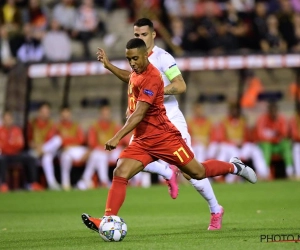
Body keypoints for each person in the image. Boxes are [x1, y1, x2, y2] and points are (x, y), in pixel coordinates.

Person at [81, 38, 257, 233]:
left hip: (165, 138)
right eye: (129, 59)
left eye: (135, 59)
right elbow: (129, 77)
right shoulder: (136, 71)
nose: (132, 63)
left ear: (146, 56)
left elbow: (139, 114)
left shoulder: (153, 77)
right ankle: (107, 220)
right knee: (120, 172)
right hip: (142, 140)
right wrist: (108, 66)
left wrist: (117, 137)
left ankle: (234, 166)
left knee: (196, 173)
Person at [95, 18, 229, 230]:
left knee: (192, 172)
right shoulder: (136, 59)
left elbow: (181, 85)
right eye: (136, 35)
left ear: (153, 35)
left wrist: (155, 93)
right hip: (146, 122)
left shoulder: (163, 57)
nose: (139, 38)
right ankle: (166, 174)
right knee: (124, 167)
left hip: (170, 119)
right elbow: (130, 79)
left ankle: (215, 208)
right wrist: (109, 66)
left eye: (144, 35)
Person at [76, 101, 122, 190]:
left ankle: (86, 178)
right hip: (102, 151)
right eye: (104, 113)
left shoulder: (114, 125)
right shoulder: (95, 126)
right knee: (98, 155)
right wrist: (105, 149)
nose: (106, 115)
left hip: (113, 151)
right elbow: (92, 143)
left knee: (126, 153)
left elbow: (121, 140)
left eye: (107, 113)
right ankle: (103, 181)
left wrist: (112, 148)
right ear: (100, 114)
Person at [0, 110, 43, 192]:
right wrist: (10, 144)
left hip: (16, 154)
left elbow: (20, 144)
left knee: (30, 158)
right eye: (6, 119)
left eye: (9, 119)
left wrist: (9, 145)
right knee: (2, 160)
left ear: (12, 120)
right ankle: (3, 184)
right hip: (5, 155)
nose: (7, 121)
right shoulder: (1, 130)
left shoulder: (17, 130)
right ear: (3, 120)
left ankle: (32, 183)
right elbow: (2, 146)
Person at [27, 101, 61, 190]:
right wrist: (37, 146)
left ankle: (52, 184)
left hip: (45, 150)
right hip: (35, 150)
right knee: (47, 157)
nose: (45, 114)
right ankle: (52, 183)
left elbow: (53, 141)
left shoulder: (52, 124)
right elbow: (29, 141)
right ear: (39, 112)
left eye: (47, 112)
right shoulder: (32, 123)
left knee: (58, 140)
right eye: (43, 112)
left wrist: (42, 149)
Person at [56, 106, 89, 191]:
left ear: (70, 114)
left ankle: (86, 179)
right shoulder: (57, 126)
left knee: (92, 153)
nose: (65, 115)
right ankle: (65, 183)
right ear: (60, 115)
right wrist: (66, 143)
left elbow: (80, 140)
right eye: (63, 113)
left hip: (74, 149)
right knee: (66, 156)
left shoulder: (75, 125)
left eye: (67, 113)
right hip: (62, 150)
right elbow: (57, 141)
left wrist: (68, 144)